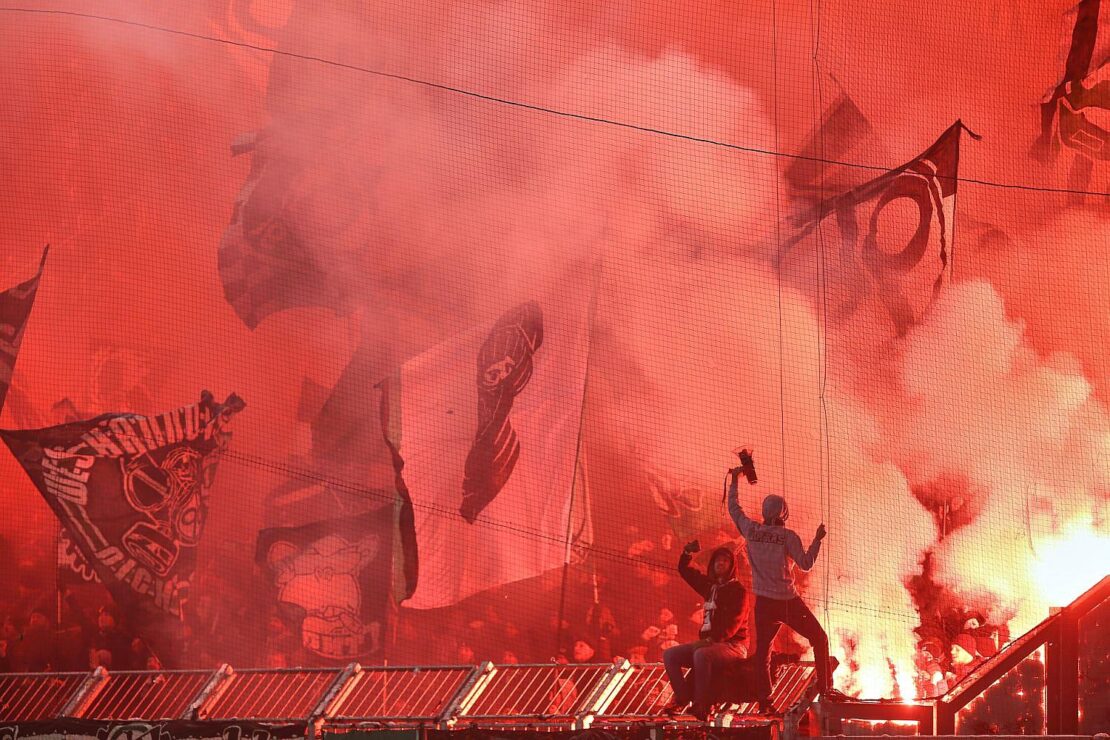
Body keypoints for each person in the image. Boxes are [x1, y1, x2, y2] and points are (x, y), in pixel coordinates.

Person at [726, 469, 843, 708]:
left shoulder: (751, 530)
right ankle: (825, 689)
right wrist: (817, 540)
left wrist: (735, 480)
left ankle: (764, 700)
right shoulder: (788, 536)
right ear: (784, 513)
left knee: (763, 652)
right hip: (788, 601)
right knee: (819, 638)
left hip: (764, 603)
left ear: (764, 512)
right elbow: (806, 563)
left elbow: (734, 508)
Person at [662, 540, 749, 721]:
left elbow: (733, 624)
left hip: (733, 646)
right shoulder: (710, 587)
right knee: (670, 655)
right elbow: (686, 572)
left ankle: (701, 704)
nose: (720, 563)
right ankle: (682, 698)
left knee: (701, 654)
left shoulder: (738, 591)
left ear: (732, 566)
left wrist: (711, 640)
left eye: (725, 560)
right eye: (717, 560)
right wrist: (687, 553)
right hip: (710, 645)